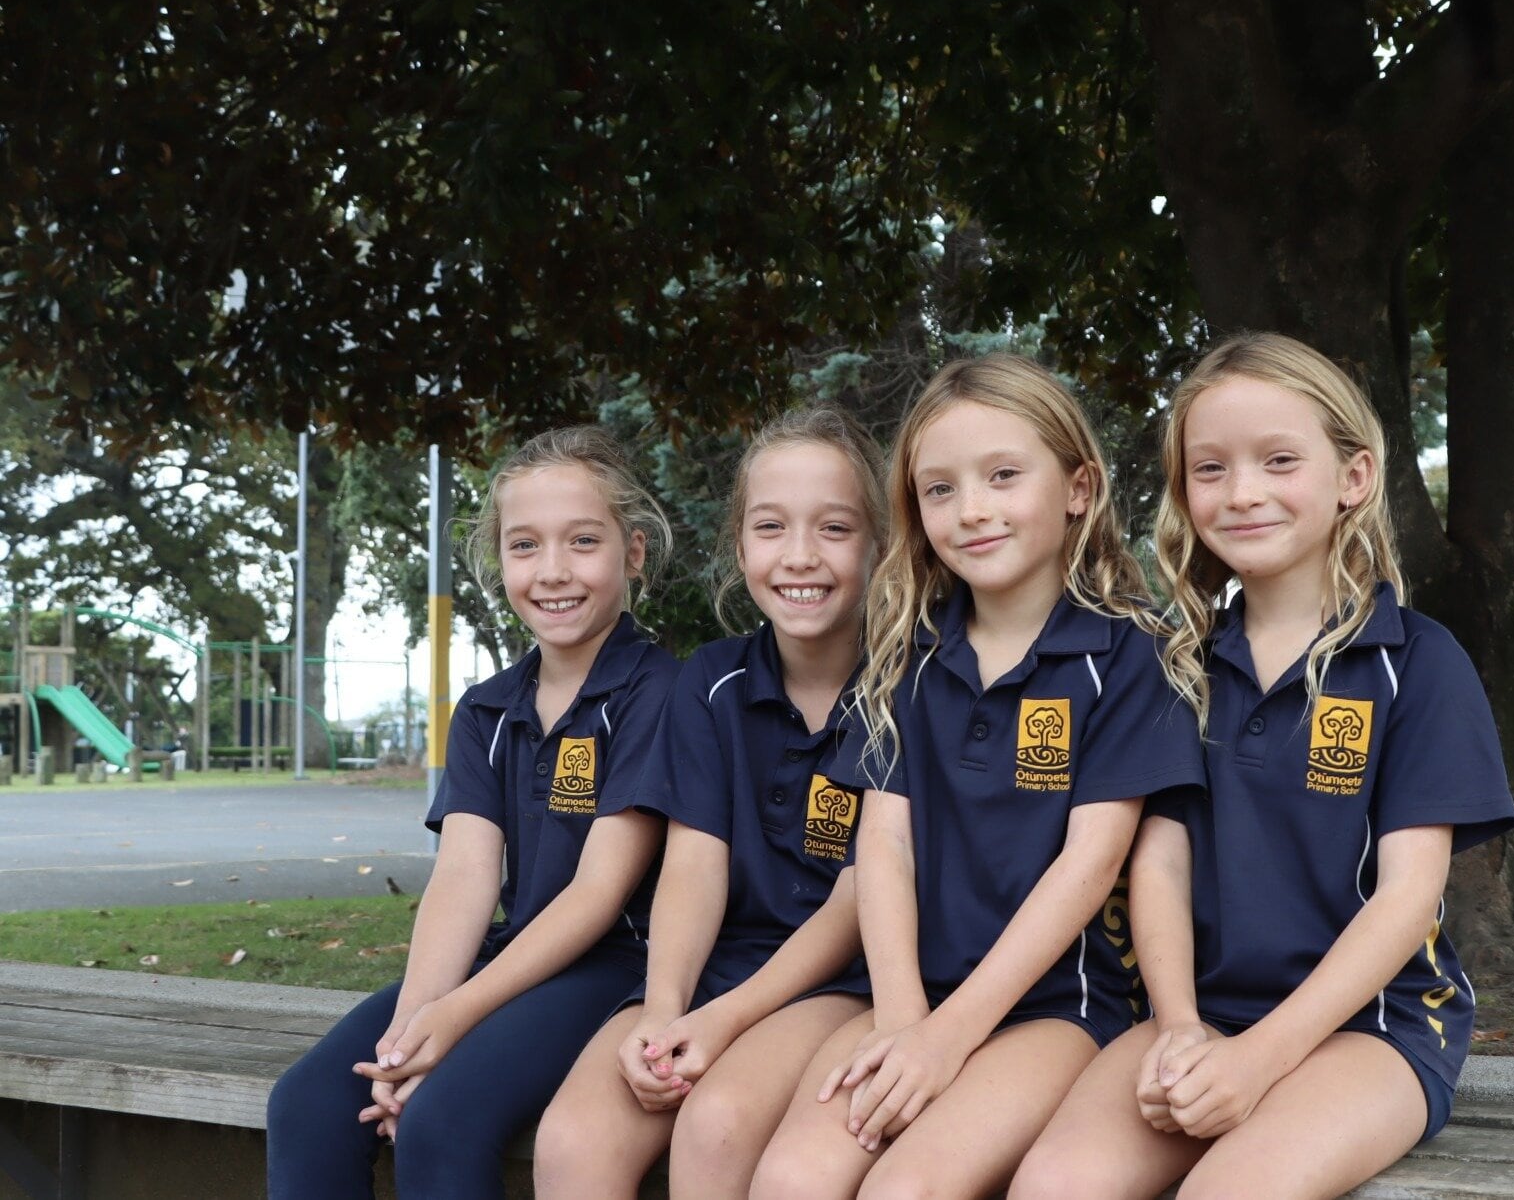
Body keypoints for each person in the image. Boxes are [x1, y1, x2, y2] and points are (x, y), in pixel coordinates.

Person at [1011, 334, 1514, 1200]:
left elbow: (1407, 898)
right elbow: (1159, 864)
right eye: (1210, 468)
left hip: (1372, 1027)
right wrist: (1179, 1028)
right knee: (1053, 1186)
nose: (1242, 491)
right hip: (1198, 1014)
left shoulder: (1419, 662)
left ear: (1353, 476)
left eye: (1279, 460)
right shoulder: (1175, 664)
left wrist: (1259, 1060)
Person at [751, 354, 1204, 1200]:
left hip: (1057, 1009)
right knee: (790, 1178)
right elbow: (885, 846)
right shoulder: (906, 650)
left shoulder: (1129, 653)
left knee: (906, 1189)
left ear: (1078, 487)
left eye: (1003, 476)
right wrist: (902, 1019)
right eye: (941, 488)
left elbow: (1091, 862)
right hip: (910, 998)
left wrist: (948, 1036)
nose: (972, 509)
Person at [266, 426, 678, 1200]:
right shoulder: (487, 710)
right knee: (307, 1105)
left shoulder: (658, 693)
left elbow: (599, 893)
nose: (552, 570)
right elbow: (463, 876)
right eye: (524, 545)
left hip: (617, 969)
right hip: (511, 960)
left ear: (633, 552)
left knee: (443, 1118)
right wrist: (408, 1035)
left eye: (583, 540)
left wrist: (454, 1019)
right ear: (499, 561)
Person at [534, 407, 886, 1199]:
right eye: (771, 526)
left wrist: (722, 1020)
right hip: (716, 967)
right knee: (572, 1140)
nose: (800, 555)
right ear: (739, 544)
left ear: (878, 545)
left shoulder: (909, 685)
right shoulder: (713, 680)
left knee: (716, 1122)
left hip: (848, 979)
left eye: (834, 527)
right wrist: (662, 1009)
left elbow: (856, 904)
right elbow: (693, 866)